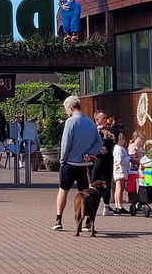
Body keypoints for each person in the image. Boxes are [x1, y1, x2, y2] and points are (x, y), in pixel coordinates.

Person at [52, 95, 102, 231]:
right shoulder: (90, 122)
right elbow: (99, 142)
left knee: (63, 190)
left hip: (70, 162)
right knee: (85, 193)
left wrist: (62, 159)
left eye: (66, 109)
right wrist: (90, 154)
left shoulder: (71, 121)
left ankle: (58, 220)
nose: (66, 112)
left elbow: (66, 142)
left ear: (70, 107)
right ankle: (87, 222)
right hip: (85, 165)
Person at [112, 132, 130, 214]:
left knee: (119, 188)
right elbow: (120, 161)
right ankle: (119, 206)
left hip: (120, 170)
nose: (124, 140)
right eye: (122, 138)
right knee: (120, 187)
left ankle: (118, 205)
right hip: (120, 170)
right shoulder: (119, 149)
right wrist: (128, 158)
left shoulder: (119, 148)